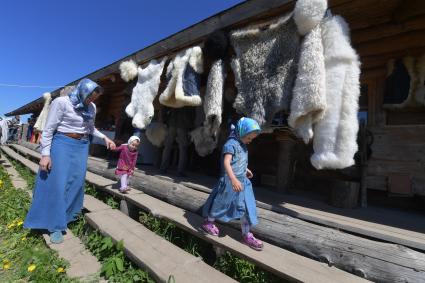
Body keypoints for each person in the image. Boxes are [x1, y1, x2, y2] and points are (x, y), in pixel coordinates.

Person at [24, 78, 116, 244]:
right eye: (89, 97)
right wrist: (45, 154)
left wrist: (104, 138)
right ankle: (54, 226)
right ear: (82, 91)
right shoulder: (61, 102)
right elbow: (49, 128)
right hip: (62, 143)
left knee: (76, 182)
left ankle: (66, 217)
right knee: (57, 184)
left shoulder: (92, 107)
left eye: (94, 98)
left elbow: (89, 127)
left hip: (81, 146)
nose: (91, 101)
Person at [201, 117, 263, 251]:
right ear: (241, 132)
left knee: (247, 207)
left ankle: (247, 234)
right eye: (249, 138)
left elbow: (239, 161)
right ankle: (209, 222)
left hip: (242, 182)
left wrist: (245, 170)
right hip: (230, 181)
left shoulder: (242, 144)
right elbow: (226, 162)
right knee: (222, 202)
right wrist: (233, 179)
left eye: (251, 139)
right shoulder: (231, 144)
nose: (250, 141)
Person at [160, 107, 195, 177]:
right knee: (183, 148)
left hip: (172, 123)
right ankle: (180, 171)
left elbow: (165, 107)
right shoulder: (189, 98)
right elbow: (192, 113)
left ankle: (163, 168)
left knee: (167, 146)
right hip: (183, 124)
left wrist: (165, 120)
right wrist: (191, 125)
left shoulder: (174, 96)